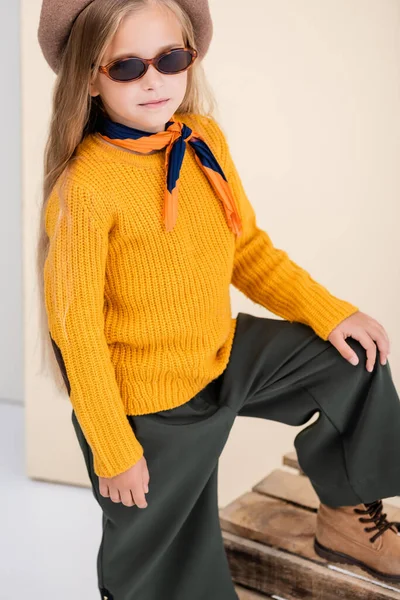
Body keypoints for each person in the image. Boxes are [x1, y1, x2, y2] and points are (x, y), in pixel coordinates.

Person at [36, 1, 400, 598]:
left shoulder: (204, 140)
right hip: (149, 406)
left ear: (190, 60)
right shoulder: (87, 189)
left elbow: (246, 251)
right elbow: (74, 331)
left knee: (353, 361)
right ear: (90, 77)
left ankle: (348, 523)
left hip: (222, 356)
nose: (154, 79)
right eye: (126, 67)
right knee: (167, 575)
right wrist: (113, 445)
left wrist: (331, 311)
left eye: (170, 58)